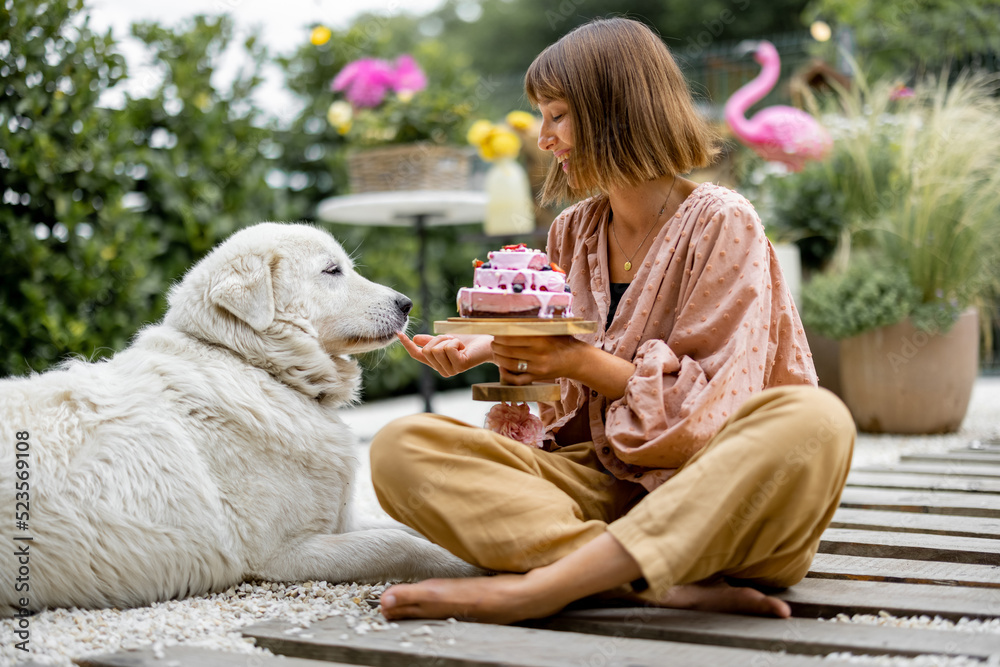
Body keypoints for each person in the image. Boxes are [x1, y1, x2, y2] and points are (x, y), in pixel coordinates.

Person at [370, 17, 855, 624]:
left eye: (558, 114)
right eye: (541, 116)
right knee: (401, 447)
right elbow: (559, 404)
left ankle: (539, 587)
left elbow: (711, 416)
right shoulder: (571, 231)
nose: (543, 138)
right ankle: (639, 582)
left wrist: (579, 362)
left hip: (716, 501)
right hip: (600, 493)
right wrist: (506, 351)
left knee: (817, 418)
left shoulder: (723, 223)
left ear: (617, 109)